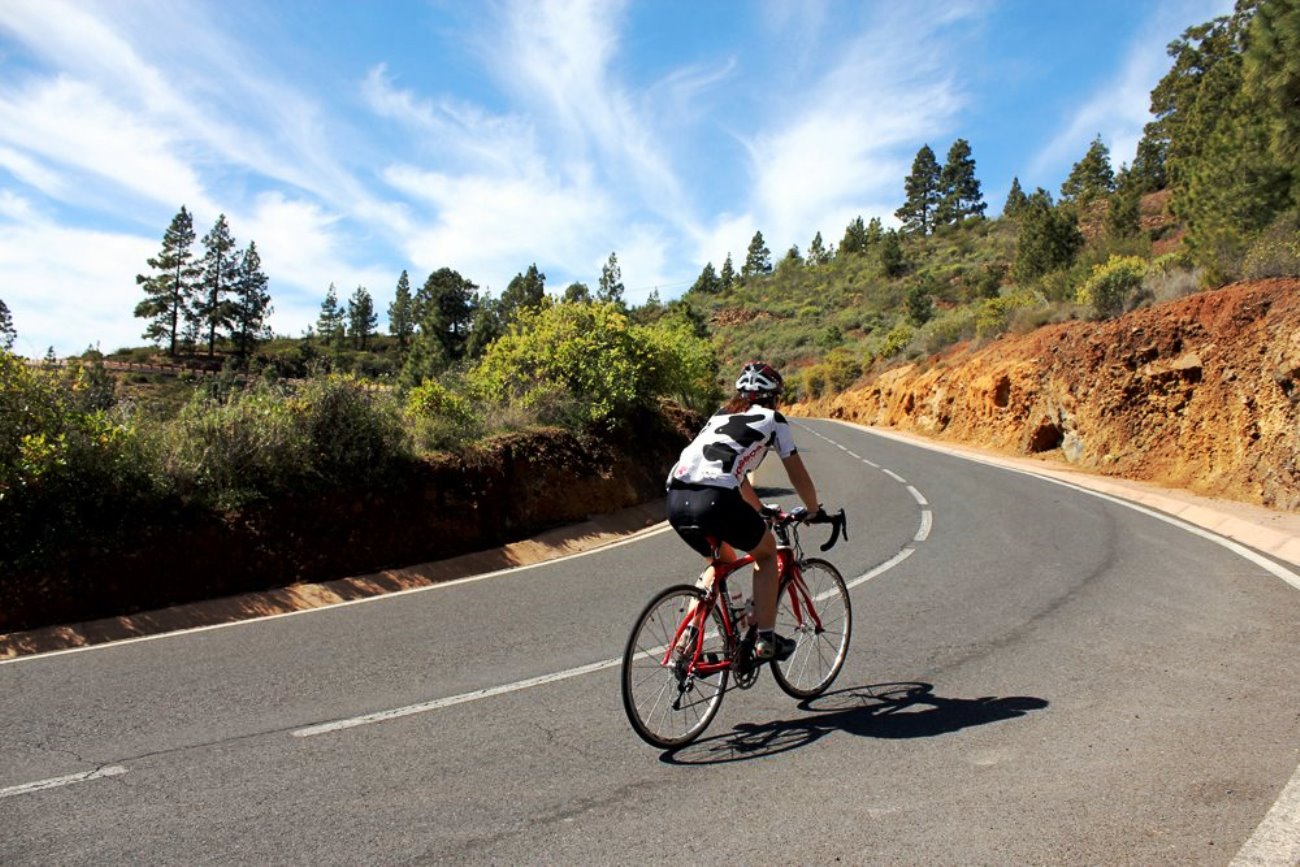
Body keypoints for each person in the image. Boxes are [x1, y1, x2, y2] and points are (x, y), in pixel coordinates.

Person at [666, 361, 825, 661]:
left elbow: (732, 474)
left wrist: (760, 508)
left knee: (719, 562)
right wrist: (813, 509)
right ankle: (765, 639)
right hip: (714, 499)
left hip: (676, 499)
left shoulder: (718, 416)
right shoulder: (773, 419)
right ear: (773, 397)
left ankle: (688, 641)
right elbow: (797, 473)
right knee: (766, 554)